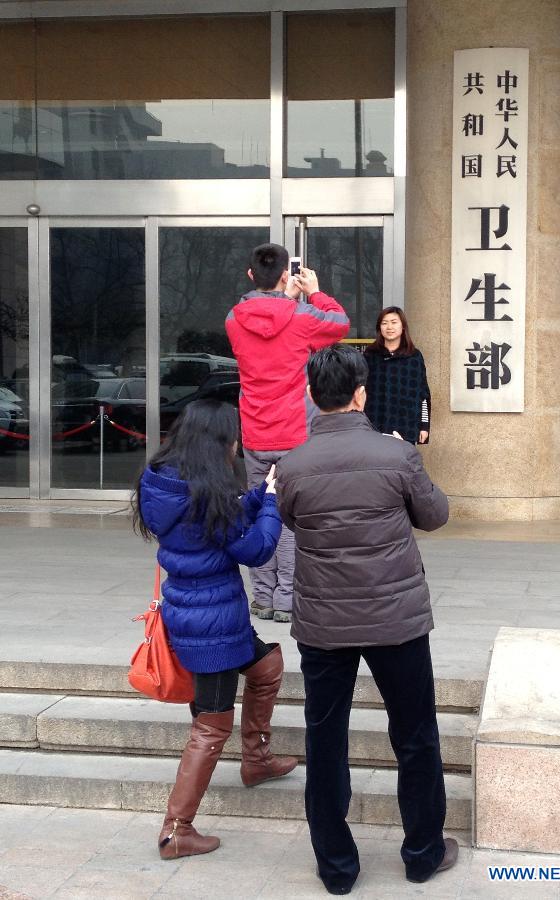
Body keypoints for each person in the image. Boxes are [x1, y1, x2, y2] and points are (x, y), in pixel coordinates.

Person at [276, 345, 456, 895]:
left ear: (311, 396)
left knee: (325, 741)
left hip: (325, 625)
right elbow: (436, 514)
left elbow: (289, 517)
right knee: (416, 736)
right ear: (362, 394)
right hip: (395, 620)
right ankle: (423, 853)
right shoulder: (396, 456)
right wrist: (411, 463)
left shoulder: (293, 465)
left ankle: (337, 868)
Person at [133, 398, 298, 861]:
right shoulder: (207, 493)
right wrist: (268, 502)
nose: (237, 446)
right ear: (218, 441)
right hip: (214, 625)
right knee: (211, 721)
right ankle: (176, 829)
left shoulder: (164, 481)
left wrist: (251, 496)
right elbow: (258, 549)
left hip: (191, 611)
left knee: (267, 664)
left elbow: (214, 525)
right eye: (232, 438)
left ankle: (257, 759)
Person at [225, 243, 350, 623]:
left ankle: (261, 597)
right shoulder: (302, 315)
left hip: (255, 433)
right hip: (295, 432)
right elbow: (339, 323)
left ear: (250, 274)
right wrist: (313, 292)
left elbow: (267, 321)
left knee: (257, 511)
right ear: (286, 274)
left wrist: (285, 298)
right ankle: (287, 601)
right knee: (293, 519)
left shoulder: (233, 318)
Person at [364, 306, 431, 444]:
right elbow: (359, 390)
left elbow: (423, 394)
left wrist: (424, 426)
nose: (389, 327)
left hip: (406, 424)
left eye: (394, 322)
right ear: (379, 328)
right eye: (384, 323)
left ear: (403, 326)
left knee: (404, 463)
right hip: (374, 422)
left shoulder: (414, 357)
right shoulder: (370, 355)